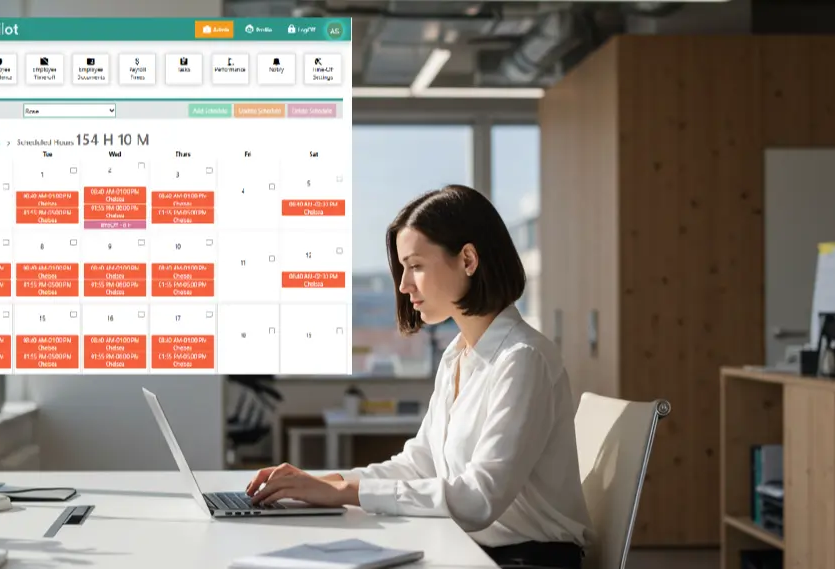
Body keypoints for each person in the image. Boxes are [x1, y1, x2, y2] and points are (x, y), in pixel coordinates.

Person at [246, 184, 593, 568]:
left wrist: (346, 492)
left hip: (527, 559)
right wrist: (321, 483)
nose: (403, 285)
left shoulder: (524, 359)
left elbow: (478, 499)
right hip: (470, 548)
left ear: (468, 260)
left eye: (416, 266)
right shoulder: (457, 355)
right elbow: (418, 463)